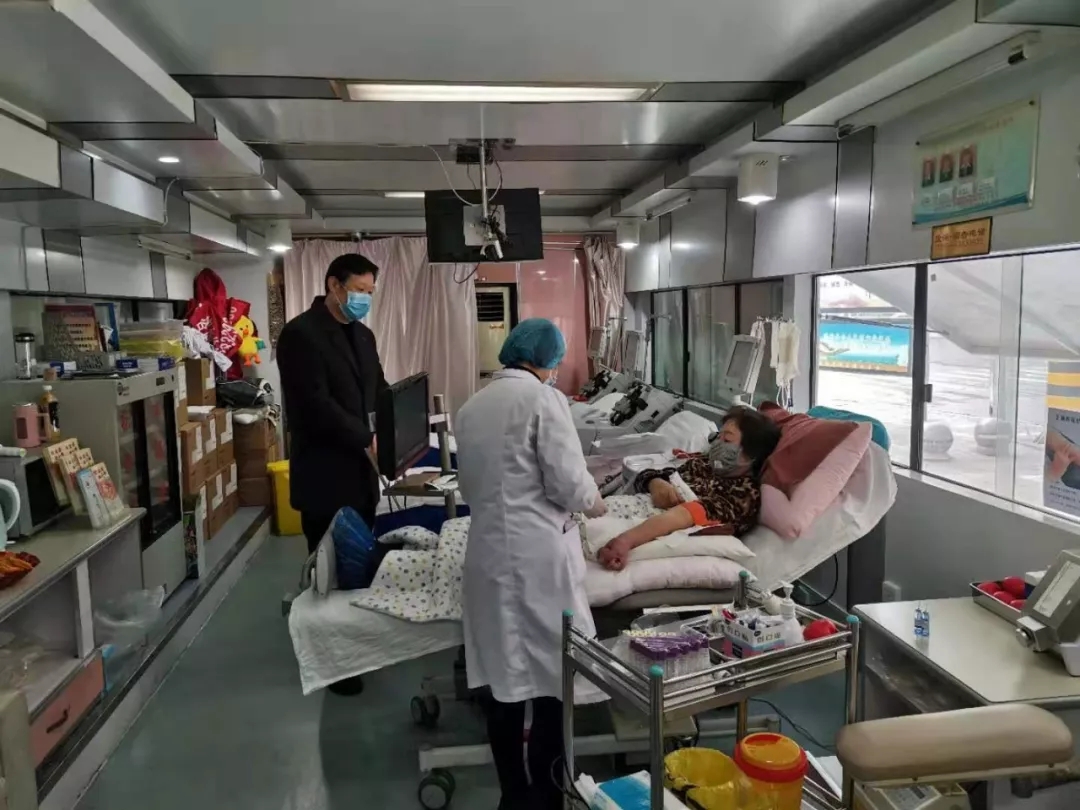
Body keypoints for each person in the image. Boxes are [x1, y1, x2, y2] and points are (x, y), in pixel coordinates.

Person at [455, 318, 606, 810]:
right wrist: (596, 502)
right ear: (548, 359)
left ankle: (514, 797)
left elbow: (472, 483)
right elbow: (569, 484)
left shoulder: (472, 406)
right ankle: (547, 795)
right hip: (537, 560)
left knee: (501, 686)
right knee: (551, 686)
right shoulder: (543, 400)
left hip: (487, 556)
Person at [277, 254, 387, 695]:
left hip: (360, 473)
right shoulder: (300, 335)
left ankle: (353, 644)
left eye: (369, 292)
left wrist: (392, 432)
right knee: (328, 571)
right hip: (324, 471)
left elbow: (378, 388)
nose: (364, 299)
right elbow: (315, 405)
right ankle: (335, 664)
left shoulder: (363, 335)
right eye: (358, 290)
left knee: (357, 562)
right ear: (334, 285)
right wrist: (365, 438)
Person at [597, 406, 781, 572]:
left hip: (636, 525)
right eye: (718, 436)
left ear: (750, 454)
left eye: (726, 439)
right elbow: (654, 474)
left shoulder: (743, 494)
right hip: (620, 506)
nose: (717, 444)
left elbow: (683, 516)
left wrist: (625, 541)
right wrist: (655, 482)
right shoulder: (704, 463)